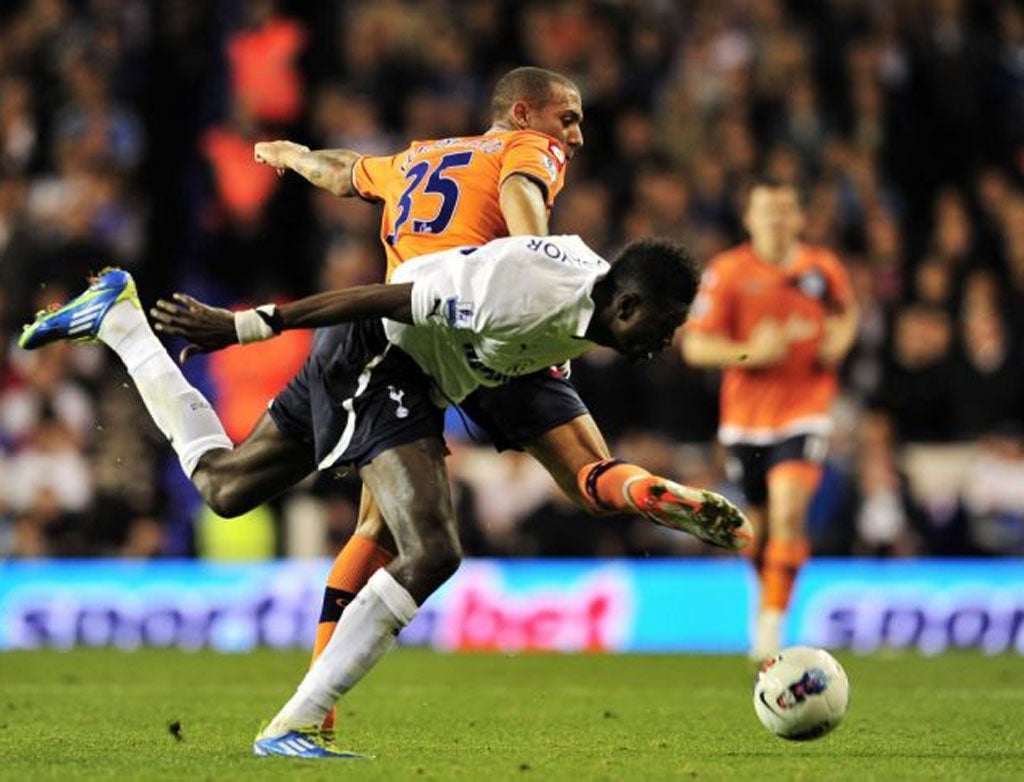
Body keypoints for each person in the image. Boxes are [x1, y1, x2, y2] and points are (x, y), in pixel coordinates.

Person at [20, 233, 753, 758]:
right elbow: (384, 294)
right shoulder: (522, 297)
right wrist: (246, 325)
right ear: (626, 305)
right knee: (432, 548)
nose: (668, 342)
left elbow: (583, 467)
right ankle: (293, 724)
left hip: (425, 377)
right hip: (376, 357)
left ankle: (121, 324)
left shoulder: (579, 317)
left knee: (224, 486)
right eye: (664, 324)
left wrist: (645, 492)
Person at [248, 65, 702, 739]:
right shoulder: (527, 149)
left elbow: (346, 172)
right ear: (523, 113)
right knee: (587, 479)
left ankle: (319, 700)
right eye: (567, 119)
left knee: (378, 528)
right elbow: (525, 202)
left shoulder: (420, 157)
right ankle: (641, 492)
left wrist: (290, 156)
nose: (575, 137)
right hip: (496, 323)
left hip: (412, 344)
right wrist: (537, 260)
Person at [681, 178, 858, 660]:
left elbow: (846, 313)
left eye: (784, 211)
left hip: (806, 411)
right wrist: (750, 352)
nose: (776, 220)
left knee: (789, 512)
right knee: (756, 533)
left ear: (799, 218)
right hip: (745, 420)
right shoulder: (728, 272)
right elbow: (695, 346)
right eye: (766, 212)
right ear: (749, 219)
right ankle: (768, 604)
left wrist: (838, 341)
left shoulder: (822, 268)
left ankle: (771, 629)